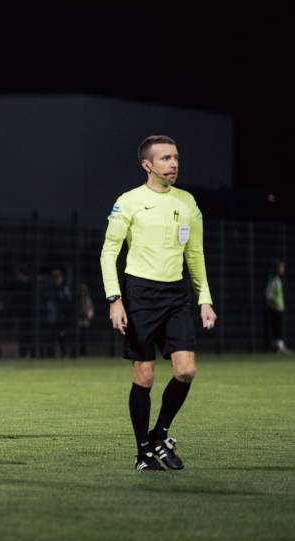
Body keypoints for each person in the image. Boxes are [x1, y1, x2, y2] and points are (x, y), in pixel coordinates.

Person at [101, 135, 217, 471]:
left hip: (175, 295)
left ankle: (159, 435)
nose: (174, 164)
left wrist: (204, 299)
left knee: (186, 370)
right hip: (139, 294)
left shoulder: (188, 203)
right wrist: (115, 299)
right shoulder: (129, 201)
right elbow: (109, 252)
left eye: (176, 157)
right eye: (165, 158)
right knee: (145, 376)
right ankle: (142, 454)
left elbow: (195, 255)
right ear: (147, 165)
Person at [265, 259, 288, 353]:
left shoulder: (278, 280)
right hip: (275, 308)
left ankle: (279, 347)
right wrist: (273, 303)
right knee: (277, 329)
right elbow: (268, 294)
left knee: (279, 328)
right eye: (281, 267)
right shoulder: (274, 280)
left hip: (279, 308)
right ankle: (278, 347)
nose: (282, 269)